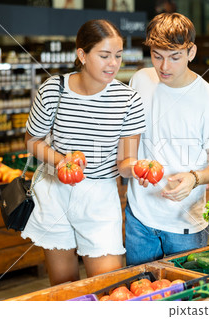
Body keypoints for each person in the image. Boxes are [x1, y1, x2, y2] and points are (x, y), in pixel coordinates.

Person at [22, 19, 146, 285]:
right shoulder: (53, 90)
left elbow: (125, 161)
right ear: (82, 54)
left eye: (118, 56)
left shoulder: (129, 100)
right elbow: (32, 140)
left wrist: (136, 169)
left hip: (99, 197)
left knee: (107, 286)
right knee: (64, 286)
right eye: (104, 56)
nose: (113, 63)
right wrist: (62, 161)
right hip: (55, 192)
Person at [125, 13, 209, 266]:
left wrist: (195, 178)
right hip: (138, 217)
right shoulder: (139, 80)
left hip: (185, 224)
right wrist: (131, 165)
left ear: (191, 52)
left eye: (174, 57)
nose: (164, 67)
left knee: (184, 299)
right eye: (157, 56)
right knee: (137, 293)